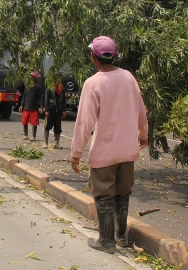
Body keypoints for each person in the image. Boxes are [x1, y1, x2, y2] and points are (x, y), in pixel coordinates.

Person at [71, 36, 148, 254]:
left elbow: (84, 122)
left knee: (103, 193)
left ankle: (106, 241)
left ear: (93, 58)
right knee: (123, 192)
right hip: (127, 149)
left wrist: (76, 152)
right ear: (113, 56)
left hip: (104, 149)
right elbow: (140, 108)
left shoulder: (92, 83)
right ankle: (121, 237)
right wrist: (143, 134)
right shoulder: (128, 77)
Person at [44, 75, 67, 149]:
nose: (59, 80)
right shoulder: (50, 87)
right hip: (51, 109)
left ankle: (57, 143)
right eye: (57, 79)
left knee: (58, 127)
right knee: (47, 126)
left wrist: (64, 110)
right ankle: (45, 143)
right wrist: (46, 110)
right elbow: (46, 99)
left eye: (60, 79)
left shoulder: (62, 89)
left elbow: (64, 100)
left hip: (59, 110)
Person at [19, 71, 43, 141]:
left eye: (32, 77)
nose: (31, 79)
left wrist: (41, 107)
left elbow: (40, 97)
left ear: (35, 78)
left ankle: (33, 136)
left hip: (34, 107)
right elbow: (24, 96)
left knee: (34, 122)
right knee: (25, 121)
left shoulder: (38, 87)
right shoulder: (27, 87)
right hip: (26, 107)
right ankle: (25, 134)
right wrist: (21, 105)